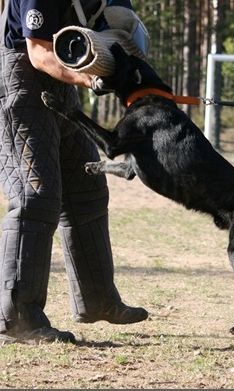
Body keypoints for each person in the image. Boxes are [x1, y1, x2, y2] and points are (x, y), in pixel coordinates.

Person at [0, 0, 148, 344]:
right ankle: (19, 319)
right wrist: (90, 79)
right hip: (20, 81)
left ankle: (98, 301)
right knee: (34, 196)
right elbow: (38, 52)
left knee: (87, 191)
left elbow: (124, 32)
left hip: (61, 87)